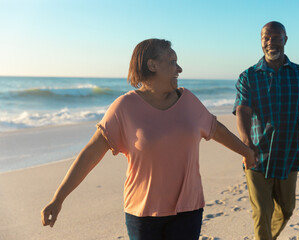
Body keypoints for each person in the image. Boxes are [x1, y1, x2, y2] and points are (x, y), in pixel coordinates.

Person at [41, 38, 256, 240]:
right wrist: (58, 198)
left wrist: (247, 153)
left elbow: (217, 130)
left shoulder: (189, 101)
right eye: (172, 62)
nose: (179, 69)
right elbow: (90, 154)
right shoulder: (124, 108)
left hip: (189, 210)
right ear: (152, 65)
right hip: (142, 214)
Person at [233, 22, 299, 240]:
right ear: (261, 41)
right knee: (261, 213)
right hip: (257, 155)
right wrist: (246, 144)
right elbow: (242, 112)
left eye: (276, 37)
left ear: (285, 40)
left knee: (286, 209)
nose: (270, 42)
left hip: (289, 154)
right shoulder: (248, 76)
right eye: (266, 38)